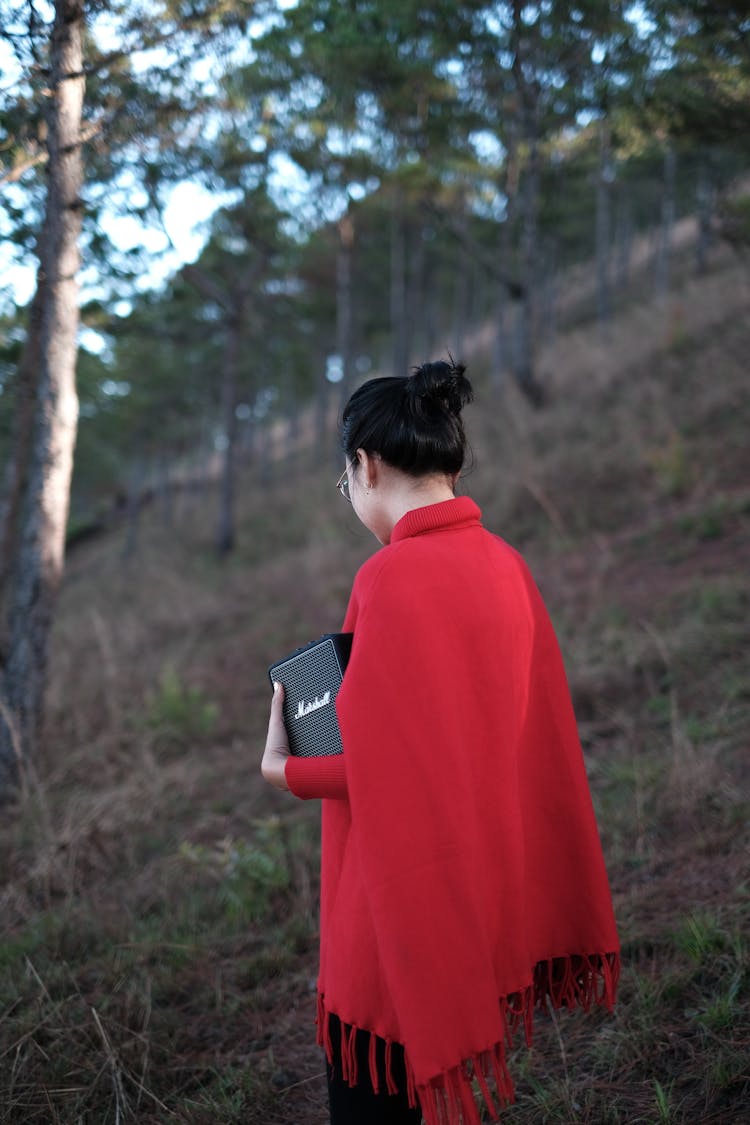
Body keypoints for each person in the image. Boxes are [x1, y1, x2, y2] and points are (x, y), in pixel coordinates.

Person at [261, 359, 620, 1125]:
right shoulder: (507, 565)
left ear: (366, 464)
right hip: (482, 893)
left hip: (403, 914)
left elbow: (381, 768)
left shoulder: (389, 579)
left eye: (343, 479)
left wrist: (286, 768)